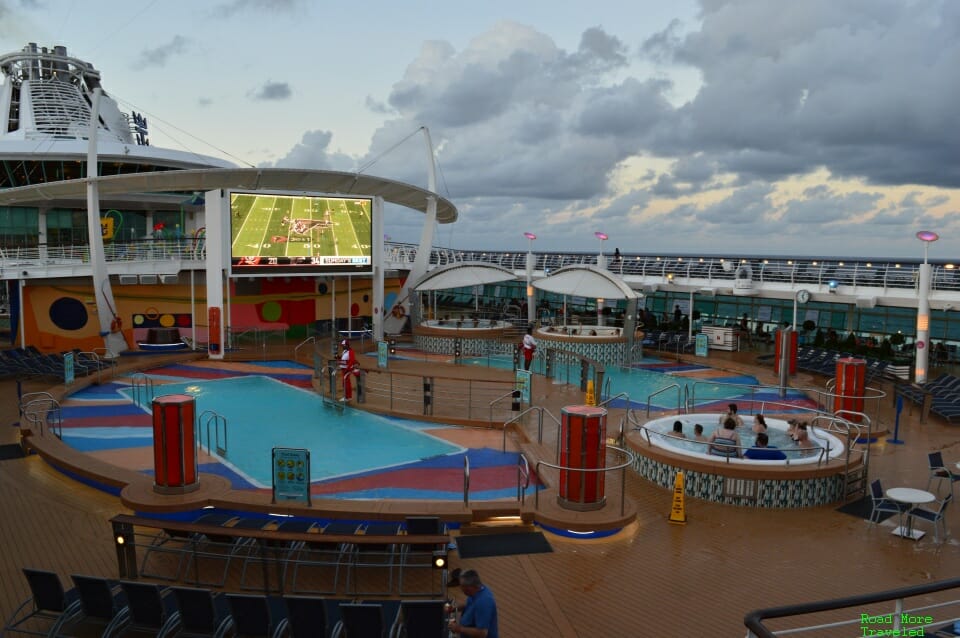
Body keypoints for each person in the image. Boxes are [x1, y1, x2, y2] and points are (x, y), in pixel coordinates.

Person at [449, 569, 498, 638]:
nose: (460, 589)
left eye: (462, 586)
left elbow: (482, 633)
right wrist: (455, 608)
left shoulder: (483, 603)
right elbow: (471, 605)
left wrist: (459, 629)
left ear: (469, 588)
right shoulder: (479, 589)